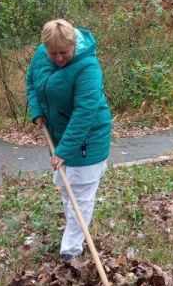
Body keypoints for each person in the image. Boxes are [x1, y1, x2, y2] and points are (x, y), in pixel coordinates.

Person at [26, 19, 112, 261]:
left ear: (73, 44)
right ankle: (74, 235)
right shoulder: (42, 53)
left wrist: (64, 150)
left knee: (81, 194)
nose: (59, 58)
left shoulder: (88, 67)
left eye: (64, 52)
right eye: (53, 53)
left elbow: (85, 112)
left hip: (88, 137)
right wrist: (37, 111)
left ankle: (71, 250)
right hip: (59, 133)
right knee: (66, 187)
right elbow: (31, 81)